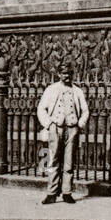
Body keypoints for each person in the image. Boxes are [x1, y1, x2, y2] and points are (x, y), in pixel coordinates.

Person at [37, 64, 90, 205]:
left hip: (72, 129)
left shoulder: (77, 91)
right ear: (59, 74)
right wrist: (49, 124)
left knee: (69, 162)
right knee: (53, 160)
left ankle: (67, 192)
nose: (66, 76)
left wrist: (79, 124)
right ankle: (52, 193)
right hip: (56, 128)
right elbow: (41, 108)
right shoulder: (51, 89)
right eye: (64, 73)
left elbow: (85, 110)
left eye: (69, 74)